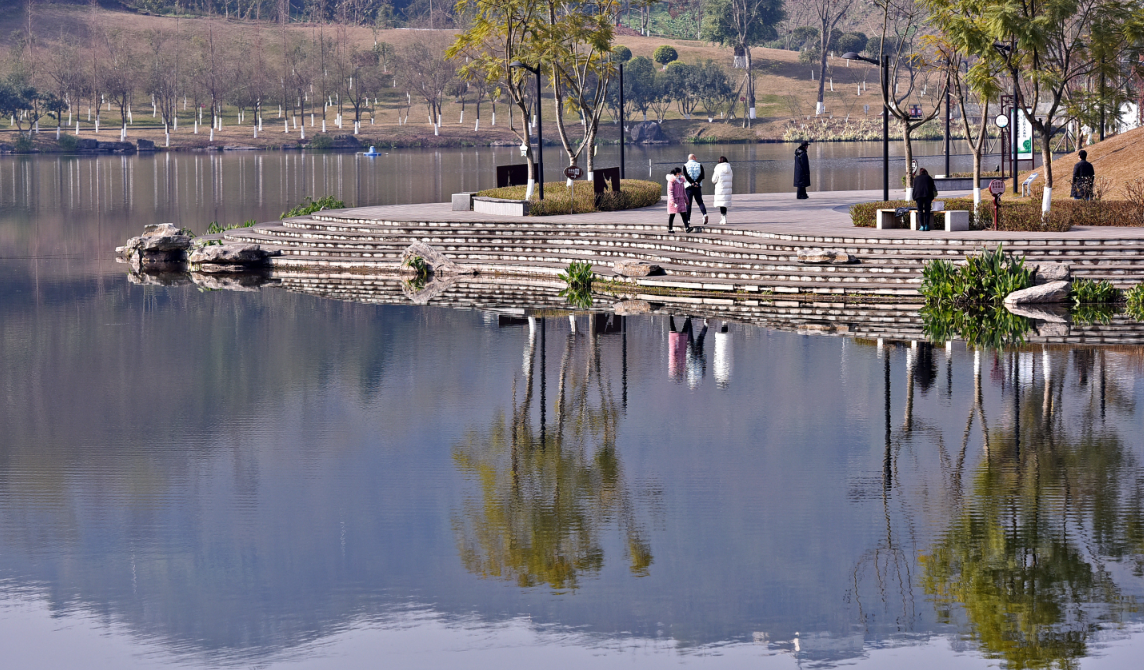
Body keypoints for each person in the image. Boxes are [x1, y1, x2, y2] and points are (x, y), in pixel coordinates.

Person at [683, 153, 708, 225]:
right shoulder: (699, 165)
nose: (696, 158)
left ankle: (688, 220)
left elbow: (686, 176)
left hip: (689, 187)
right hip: (698, 186)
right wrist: (697, 182)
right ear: (693, 158)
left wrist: (692, 183)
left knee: (688, 203)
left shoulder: (685, 166)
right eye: (695, 157)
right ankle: (704, 214)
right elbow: (702, 175)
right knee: (700, 202)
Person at [666, 167, 691, 233]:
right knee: (672, 214)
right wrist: (672, 200)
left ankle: (687, 227)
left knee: (683, 214)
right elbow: (670, 191)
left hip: (681, 200)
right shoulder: (671, 181)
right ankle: (670, 229)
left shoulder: (681, 180)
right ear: (677, 173)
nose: (681, 173)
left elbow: (684, 191)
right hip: (674, 200)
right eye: (680, 172)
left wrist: (686, 199)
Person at [711, 156, 733, 224]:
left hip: (720, 188)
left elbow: (713, 180)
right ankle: (724, 217)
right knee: (724, 203)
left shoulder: (718, 168)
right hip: (728, 188)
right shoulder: (730, 169)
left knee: (721, 203)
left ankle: (723, 218)